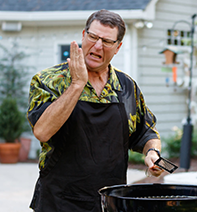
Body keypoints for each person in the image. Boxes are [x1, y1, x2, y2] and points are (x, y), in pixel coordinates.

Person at [27, 9, 163, 211]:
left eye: (107, 41)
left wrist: (152, 152)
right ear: (83, 35)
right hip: (59, 201)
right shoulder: (49, 80)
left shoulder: (126, 87)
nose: (98, 46)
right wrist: (76, 85)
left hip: (110, 201)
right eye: (93, 37)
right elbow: (42, 131)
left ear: (118, 47)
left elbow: (146, 131)